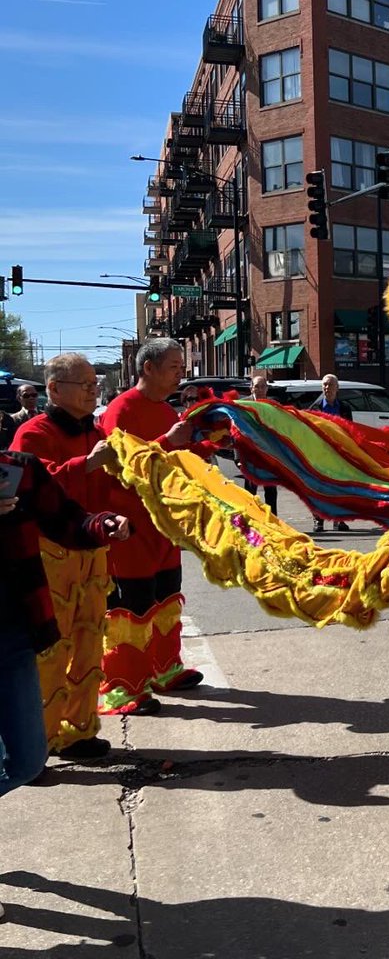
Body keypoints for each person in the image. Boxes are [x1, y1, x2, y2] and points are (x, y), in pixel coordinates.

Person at [0, 452, 129, 880]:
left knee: (28, 760)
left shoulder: (17, 468)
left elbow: (66, 520)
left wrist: (101, 525)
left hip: (15, 634)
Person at [12, 354, 121, 760]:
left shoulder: (93, 431)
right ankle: (34, 744)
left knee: (89, 639)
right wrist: (89, 464)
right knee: (49, 651)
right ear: (55, 390)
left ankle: (78, 730)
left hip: (91, 548)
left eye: (95, 383)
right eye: (85, 384)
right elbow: (34, 488)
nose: (94, 390)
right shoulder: (32, 432)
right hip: (49, 553)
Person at [99, 338, 198, 714]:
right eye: (174, 366)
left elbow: (174, 464)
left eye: (180, 365)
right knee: (132, 606)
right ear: (148, 368)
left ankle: (164, 668)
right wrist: (166, 442)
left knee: (166, 598)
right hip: (129, 528)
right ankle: (123, 685)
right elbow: (118, 469)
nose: (181, 373)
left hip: (163, 527)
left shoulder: (168, 411)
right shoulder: (121, 410)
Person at [309, 374, 352, 533]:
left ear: (337, 388)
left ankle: (339, 520)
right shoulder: (315, 408)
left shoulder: (345, 408)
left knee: (339, 487)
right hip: (320, 455)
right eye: (325, 385)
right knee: (319, 487)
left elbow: (350, 431)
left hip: (339, 454)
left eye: (330, 385)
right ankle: (318, 520)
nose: (327, 388)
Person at [239, 374, 278, 513]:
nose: (260, 390)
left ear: (267, 389)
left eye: (263, 387)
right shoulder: (243, 406)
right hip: (250, 456)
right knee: (250, 492)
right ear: (251, 389)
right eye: (257, 386)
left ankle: (273, 522)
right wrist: (238, 458)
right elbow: (236, 432)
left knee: (271, 492)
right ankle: (250, 521)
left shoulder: (274, 406)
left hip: (269, 455)